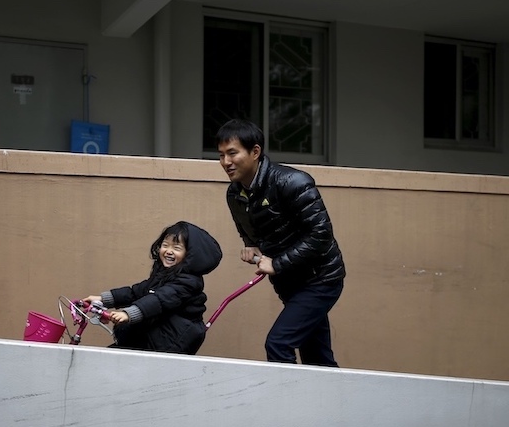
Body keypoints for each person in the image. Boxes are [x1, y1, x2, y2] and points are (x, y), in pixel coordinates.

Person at [216, 118, 346, 367]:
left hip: (321, 279)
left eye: (232, 153)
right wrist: (251, 244)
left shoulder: (292, 182)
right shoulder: (235, 193)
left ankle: (288, 403)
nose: (226, 162)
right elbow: (247, 227)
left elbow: (321, 235)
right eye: (221, 155)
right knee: (317, 357)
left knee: (279, 343)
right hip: (290, 283)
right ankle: (332, 403)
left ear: (255, 152)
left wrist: (276, 263)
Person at [81, 221, 222, 355]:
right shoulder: (162, 276)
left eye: (176, 248)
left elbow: (159, 300)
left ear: (190, 255)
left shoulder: (187, 282)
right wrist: (104, 299)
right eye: (165, 245)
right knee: (112, 355)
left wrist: (129, 314)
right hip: (152, 338)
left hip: (171, 341)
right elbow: (135, 292)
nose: (168, 251)